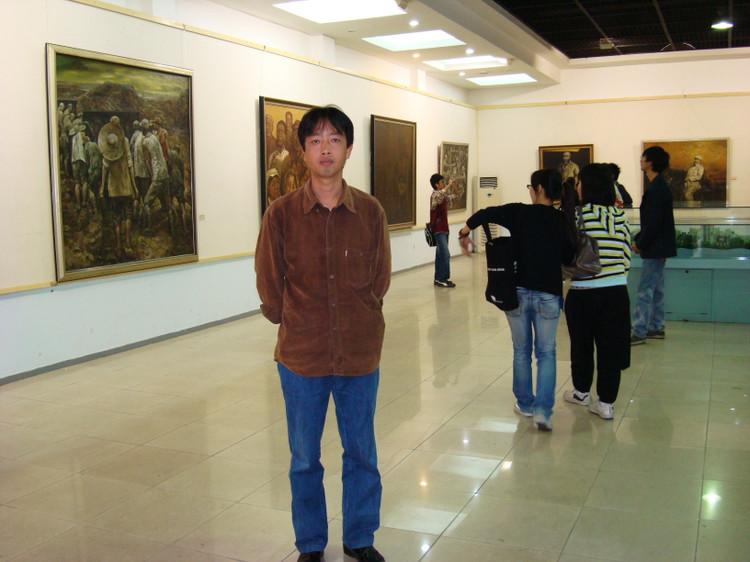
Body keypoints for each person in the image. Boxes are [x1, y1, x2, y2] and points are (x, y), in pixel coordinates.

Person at [255, 105, 390, 562]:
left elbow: (380, 280)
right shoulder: (281, 214)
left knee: (361, 453)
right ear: (303, 152)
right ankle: (310, 543)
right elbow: (269, 280)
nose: (325, 149)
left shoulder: (370, 212)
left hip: (358, 357)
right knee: (303, 459)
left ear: (349, 148)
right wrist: (291, 319)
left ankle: (359, 538)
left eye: (334, 139)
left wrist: (360, 319)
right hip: (302, 359)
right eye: (315, 140)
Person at [457, 170, 575, 431]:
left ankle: (525, 403)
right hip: (548, 294)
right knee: (546, 352)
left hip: (518, 293)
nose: (529, 191)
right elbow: (569, 257)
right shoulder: (561, 219)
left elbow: (486, 213)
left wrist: (464, 232)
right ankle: (543, 411)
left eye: (531, 187)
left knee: (521, 350)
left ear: (539, 189)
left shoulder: (519, 212)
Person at [562, 164, 632, 420]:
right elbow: (626, 255)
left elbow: (567, 252)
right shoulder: (620, 216)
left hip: (583, 292)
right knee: (610, 349)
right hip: (616, 292)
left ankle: (581, 392)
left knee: (581, 345)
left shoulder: (577, 215)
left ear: (588, 186)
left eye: (580, 182)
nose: (578, 187)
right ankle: (606, 403)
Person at [631, 146, 677, 344]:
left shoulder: (656, 189)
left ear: (650, 162)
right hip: (659, 246)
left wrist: (640, 243)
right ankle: (656, 326)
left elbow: (653, 223)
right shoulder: (659, 186)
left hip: (655, 246)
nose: (640, 161)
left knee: (645, 289)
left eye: (643, 158)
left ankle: (639, 330)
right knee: (656, 288)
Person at [98, 116, 137, 256]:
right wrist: (134, 186)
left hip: (113, 190)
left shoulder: (106, 145)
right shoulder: (125, 141)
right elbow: (130, 164)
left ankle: (119, 245)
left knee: (116, 218)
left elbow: (105, 169)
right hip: (126, 187)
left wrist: (102, 187)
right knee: (127, 216)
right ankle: (127, 244)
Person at [429, 173, 457, 288]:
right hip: (438, 230)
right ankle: (443, 278)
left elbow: (453, 197)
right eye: (442, 182)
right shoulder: (435, 195)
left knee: (440, 255)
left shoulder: (442, 195)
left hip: (444, 229)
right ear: (436, 184)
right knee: (445, 255)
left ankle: (438, 278)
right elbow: (440, 196)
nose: (444, 184)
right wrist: (449, 185)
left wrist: (454, 187)